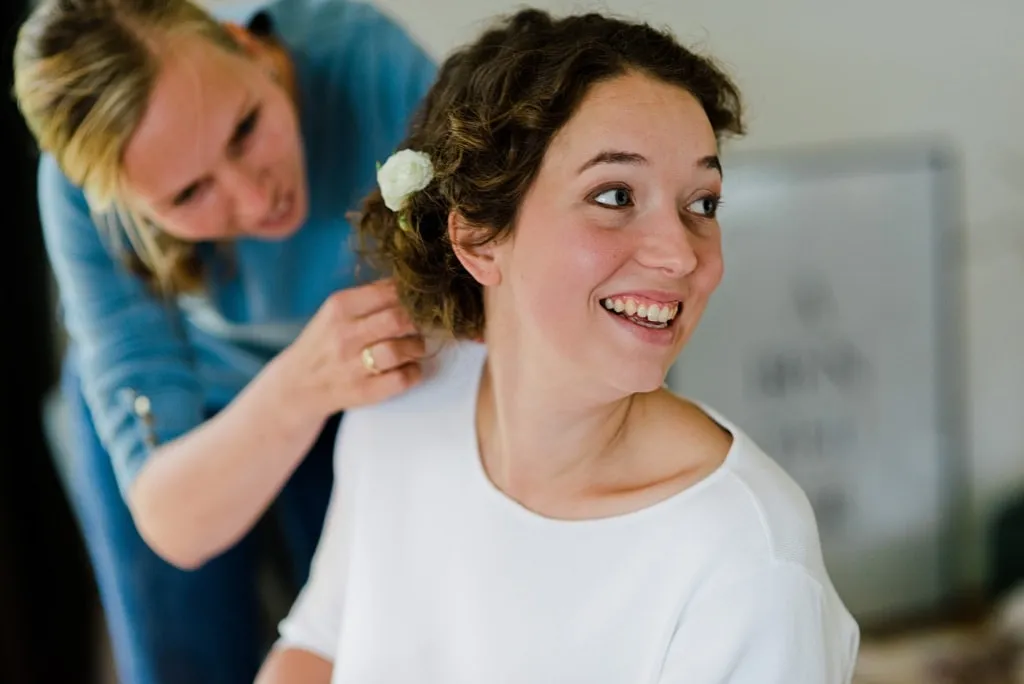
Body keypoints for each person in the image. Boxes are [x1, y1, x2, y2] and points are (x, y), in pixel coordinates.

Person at [256, 8, 861, 684]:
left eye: (703, 203)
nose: (678, 255)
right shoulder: (399, 403)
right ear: (479, 238)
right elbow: (319, 644)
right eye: (614, 194)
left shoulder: (745, 556)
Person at [12, 0, 434, 682]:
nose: (252, 196)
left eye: (244, 128)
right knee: (182, 660)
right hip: (192, 415)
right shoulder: (76, 199)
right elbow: (173, 521)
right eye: (188, 194)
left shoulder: (373, 65)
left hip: (356, 380)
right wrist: (301, 384)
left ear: (245, 45)